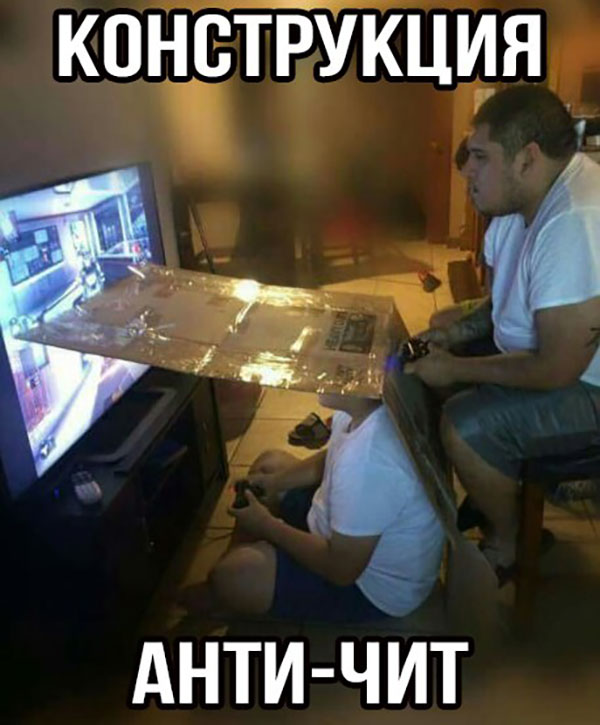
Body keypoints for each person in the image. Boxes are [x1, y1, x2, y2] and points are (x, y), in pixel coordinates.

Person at [405, 86, 600, 580]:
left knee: (464, 425)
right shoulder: (519, 205)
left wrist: (458, 367)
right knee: (424, 355)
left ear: (527, 158)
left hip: (588, 385)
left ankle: (510, 543)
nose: (467, 170)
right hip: (554, 359)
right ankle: (489, 487)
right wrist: (456, 332)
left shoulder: (573, 222)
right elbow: (503, 302)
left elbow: (557, 368)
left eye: (480, 157)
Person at [182, 393, 444, 622]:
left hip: (371, 587)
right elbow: (332, 456)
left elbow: (342, 570)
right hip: (341, 533)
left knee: (233, 576)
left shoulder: (370, 461)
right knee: (269, 464)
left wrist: (267, 525)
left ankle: (230, 586)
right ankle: (230, 581)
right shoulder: (364, 408)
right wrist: (276, 482)